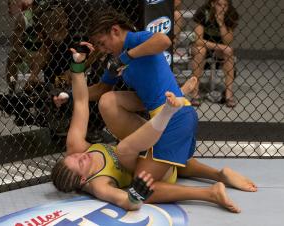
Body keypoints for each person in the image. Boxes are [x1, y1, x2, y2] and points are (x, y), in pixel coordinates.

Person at [51, 43, 256, 213]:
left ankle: (220, 174)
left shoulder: (76, 147)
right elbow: (127, 203)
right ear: (84, 179)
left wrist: (77, 66)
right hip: (154, 171)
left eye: (75, 156)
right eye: (80, 162)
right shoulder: (98, 185)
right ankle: (210, 192)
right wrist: (136, 194)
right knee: (125, 152)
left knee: (139, 150)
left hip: (148, 149)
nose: (81, 155)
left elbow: (80, 103)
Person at [190, 0, 239, 107]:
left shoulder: (231, 14)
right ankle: (195, 93)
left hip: (220, 49)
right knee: (200, 50)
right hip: (203, 45)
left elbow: (228, 42)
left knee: (229, 51)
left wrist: (221, 23)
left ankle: (228, 95)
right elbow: (198, 40)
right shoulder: (203, 12)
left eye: (225, 5)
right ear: (212, 4)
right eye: (219, 4)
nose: (222, 8)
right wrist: (220, 46)